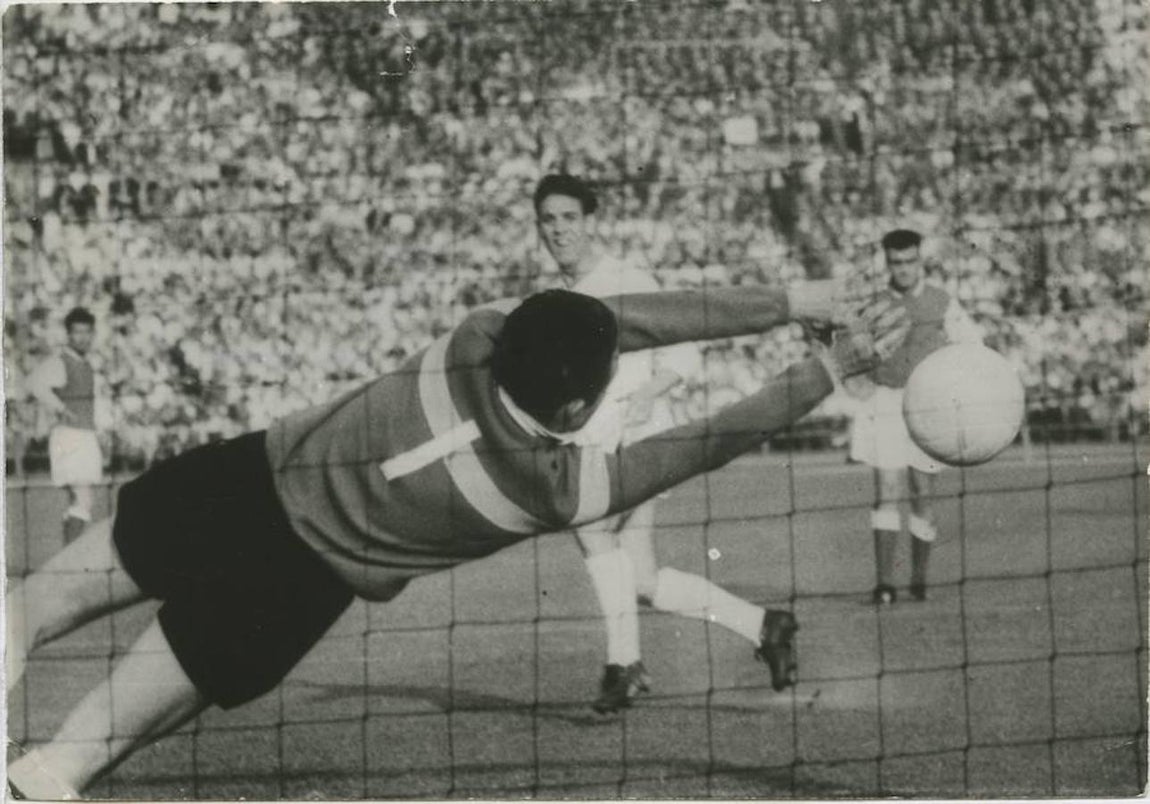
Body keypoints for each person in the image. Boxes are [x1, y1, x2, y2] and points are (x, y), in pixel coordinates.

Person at [6, 283, 908, 799]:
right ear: (574, 409)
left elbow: (621, 315)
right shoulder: (558, 489)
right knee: (69, 765)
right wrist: (825, 363)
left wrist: (790, 300)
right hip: (291, 585)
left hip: (241, 481)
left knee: (27, 610)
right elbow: (714, 436)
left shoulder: (471, 336)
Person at [533, 174, 786, 714]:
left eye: (569, 218)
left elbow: (686, 355)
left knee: (591, 530)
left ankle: (623, 665)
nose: (559, 230)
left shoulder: (626, 279)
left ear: (590, 222)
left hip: (641, 439)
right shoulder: (554, 298)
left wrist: (649, 393)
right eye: (549, 220)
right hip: (599, 445)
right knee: (641, 577)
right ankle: (765, 626)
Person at [846, 229, 984, 605]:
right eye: (896, 262)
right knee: (886, 492)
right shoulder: (873, 305)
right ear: (887, 263)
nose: (903, 269)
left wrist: (952, 388)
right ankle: (885, 584)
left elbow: (973, 348)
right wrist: (860, 386)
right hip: (886, 403)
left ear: (919, 260)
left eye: (909, 261)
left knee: (922, 492)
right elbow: (849, 352)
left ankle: (919, 580)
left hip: (927, 404)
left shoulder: (942, 302)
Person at [26, 307, 104, 543]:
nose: (82, 337)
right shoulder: (61, 361)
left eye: (87, 332)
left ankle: (68, 557)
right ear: (68, 334)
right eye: (77, 332)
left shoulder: (86, 363)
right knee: (83, 500)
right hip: (70, 437)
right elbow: (34, 384)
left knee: (81, 501)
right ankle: (69, 561)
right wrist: (61, 409)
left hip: (85, 435)